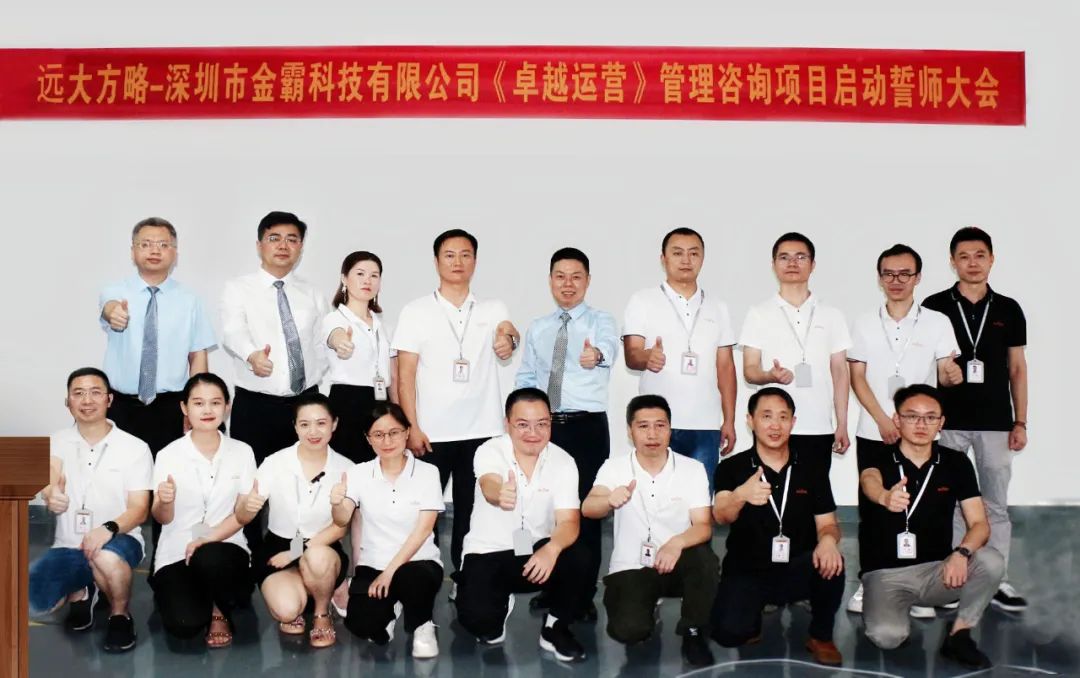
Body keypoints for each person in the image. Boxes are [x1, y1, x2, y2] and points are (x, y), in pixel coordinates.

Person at [393, 228, 520, 585]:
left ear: (475, 261)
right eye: (449, 255)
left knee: (472, 513)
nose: (458, 262)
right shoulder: (416, 311)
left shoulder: (493, 308)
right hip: (430, 433)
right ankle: (422, 578)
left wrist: (509, 339)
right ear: (436, 262)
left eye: (466, 255)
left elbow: (509, 331)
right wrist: (411, 427)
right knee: (424, 510)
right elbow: (405, 376)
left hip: (482, 431)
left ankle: (465, 579)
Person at [846, 244, 960, 618]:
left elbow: (945, 373)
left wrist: (952, 375)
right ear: (880, 278)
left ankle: (923, 585)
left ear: (918, 277)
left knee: (925, 508)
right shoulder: (864, 323)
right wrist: (883, 419)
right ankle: (869, 581)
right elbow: (857, 377)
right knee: (874, 509)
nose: (897, 281)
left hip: (920, 434)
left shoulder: (937, 322)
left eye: (905, 274)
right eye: (889, 274)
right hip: (874, 430)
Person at [858, 384, 1004, 670]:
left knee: (991, 561)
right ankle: (894, 610)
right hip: (887, 575)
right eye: (912, 416)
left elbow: (979, 524)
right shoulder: (878, 458)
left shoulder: (956, 462)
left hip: (939, 571)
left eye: (930, 417)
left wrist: (961, 554)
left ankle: (959, 634)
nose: (921, 424)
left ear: (941, 423)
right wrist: (885, 497)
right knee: (887, 637)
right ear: (897, 420)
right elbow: (869, 481)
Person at [922, 226, 1029, 612]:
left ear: (991, 259)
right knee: (949, 502)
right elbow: (923, 365)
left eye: (979, 255)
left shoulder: (1009, 309)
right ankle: (954, 578)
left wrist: (1021, 421)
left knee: (995, 504)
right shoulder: (934, 306)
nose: (972, 263)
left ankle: (997, 579)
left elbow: (1017, 368)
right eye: (964, 256)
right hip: (947, 422)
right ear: (952, 262)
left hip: (996, 423)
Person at [515, 246, 617, 620]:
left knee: (585, 510)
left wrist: (596, 356)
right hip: (545, 429)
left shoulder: (601, 321)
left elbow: (607, 350)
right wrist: (518, 420)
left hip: (586, 427)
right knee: (547, 508)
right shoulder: (539, 327)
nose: (568, 284)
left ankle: (583, 594)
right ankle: (553, 585)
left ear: (588, 281)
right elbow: (527, 376)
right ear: (550, 281)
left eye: (576, 277)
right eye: (560, 276)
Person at [710, 388, 845, 666]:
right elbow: (721, 515)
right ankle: (752, 618)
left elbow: (828, 523)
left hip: (798, 565)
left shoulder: (811, 468)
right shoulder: (732, 467)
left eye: (783, 417)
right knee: (728, 633)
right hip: (748, 567)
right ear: (750, 420)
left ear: (793, 422)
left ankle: (820, 635)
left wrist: (828, 540)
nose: (775, 425)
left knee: (833, 560)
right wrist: (740, 495)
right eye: (766, 416)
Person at [454, 388, 590, 662]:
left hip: (536, 553)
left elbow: (569, 521)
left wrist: (551, 549)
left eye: (542, 424)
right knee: (481, 625)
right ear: (507, 424)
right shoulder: (490, 450)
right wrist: (499, 493)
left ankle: (555, 626)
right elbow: (489, 484)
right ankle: (499, 604)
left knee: (579, 555)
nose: (533, 433)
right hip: (489, 552)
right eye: (523, 424)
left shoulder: (563, 461)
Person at [583, 395, 717, 668]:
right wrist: (608, 500)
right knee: (629, 631)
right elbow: (588, 508)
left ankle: (693, 631)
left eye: (660, 425)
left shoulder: (692, 469)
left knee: (705, 561)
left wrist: (676, 543)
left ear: (670, 429)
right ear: (630, 431)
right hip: (633, 565)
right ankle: (645, 605)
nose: (652, 434)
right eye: (643, 426)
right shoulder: (614, 467)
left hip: (677, 561)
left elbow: (703, 526)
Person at [221, 211, 328, 551]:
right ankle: (252, 557)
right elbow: (233, 331)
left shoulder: (312, 293)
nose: (283, 245)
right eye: (274, 238)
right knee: (251, 485)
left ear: (301, 247)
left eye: (292, 239)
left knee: (301, 483)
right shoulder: (239, 288)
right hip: (257, 404)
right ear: (259, 245)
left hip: (304, 403)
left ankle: (295, 554)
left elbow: (321, 343)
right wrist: (251, 354)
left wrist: (316, 378)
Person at [29, 367, 152, 653]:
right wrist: (51, 493)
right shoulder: (56, 440)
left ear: (109, 399)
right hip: (69, 544)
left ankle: (120, 615)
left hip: (119, 539)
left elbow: (139, 509)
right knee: (34, 602)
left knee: (105, 557)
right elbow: (51, 473)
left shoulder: (135, 447)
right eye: (78, 393)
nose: (87, 400)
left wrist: (107, 530)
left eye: (95, 392)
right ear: (67, 401)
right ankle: (82, 592)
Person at [622, 228, 737, 492]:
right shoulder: (643, 301)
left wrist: (729, 420)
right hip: (657, 423)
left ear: (702, 258)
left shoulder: (718, 307)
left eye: (693, 253)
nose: (686, 260)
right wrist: (647, 357)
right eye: (677, 253)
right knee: (657, 498)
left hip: (705, 425)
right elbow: (632, 355)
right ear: (663, 259)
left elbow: (726, 367)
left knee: (700, 501)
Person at [235, 392, 352, 648]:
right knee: (287, 610)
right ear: (295, 427)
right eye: (305, 424)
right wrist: (247, 507)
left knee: (317, 558)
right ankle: (314, 589)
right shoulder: (274, 463)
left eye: (321, 423)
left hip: (322, 546)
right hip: (277, 546)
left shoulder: (347, 469)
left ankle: (321, 611)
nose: (313, 432)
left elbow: (340, 529)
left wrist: (294, 553)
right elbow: (242, 517)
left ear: (334, 424)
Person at [149, 373, 256, 648]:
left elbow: (241, 516)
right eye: (198, 403)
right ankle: (196, 601)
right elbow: (162, 518)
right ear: (184, 408)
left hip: (225, 546)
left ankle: (219, 610)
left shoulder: (242, 452)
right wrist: (164, 501)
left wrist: (207, 538)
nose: (207, 410)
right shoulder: (167, 454)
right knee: (184, 625)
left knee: (209, 558)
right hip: (177, 550)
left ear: (227, 407)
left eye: (215, 402)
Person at [330, 402, 444, 659]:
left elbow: (424, 529)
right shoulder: (358, 473)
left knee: (413, 580)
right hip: (374, 563)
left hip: (418, 561)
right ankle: (390, 610)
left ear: (407, 432)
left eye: (394, 432)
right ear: (368, 439)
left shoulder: (428, 473)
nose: (387, 441)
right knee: (362, 624)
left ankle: (422, 624)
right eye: (378, 434)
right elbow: (342, 519)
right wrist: (336, 503)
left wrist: (389, 573)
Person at [739, 232, 852, 480]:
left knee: (815, 496)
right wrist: (770, 376)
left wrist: (842, 424)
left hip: (818, 426)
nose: (792, 263)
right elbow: (749, 370)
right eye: (784, 257)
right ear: (773, 264)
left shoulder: (832, 315)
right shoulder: (758, 313)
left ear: (813, 264)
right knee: (771, 494)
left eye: (800, 257)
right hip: (773, 428)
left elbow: (840, 373)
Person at [99, 217, 216, 455]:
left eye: (163, 245)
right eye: (146, 244)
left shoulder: (190, 299)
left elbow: (198, 356)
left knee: (167, 473)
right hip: (121, 405)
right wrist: (114, 313)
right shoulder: (115, 291)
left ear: (175, 253)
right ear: (133, 252)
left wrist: (196, 405)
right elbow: (109, 308)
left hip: (170, 407)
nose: (154, 251)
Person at [323, 251, 398, 463]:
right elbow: (336, 336)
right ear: (344, 278)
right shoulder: (334, 319)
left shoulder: (385, 326)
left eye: (374, 275)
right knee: (348, 467)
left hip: (381, 402)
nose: (367, 281)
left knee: (380, 468)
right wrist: (342, 344)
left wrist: (399, 413)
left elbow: (393, 374)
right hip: (348, 402)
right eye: (360, 274)